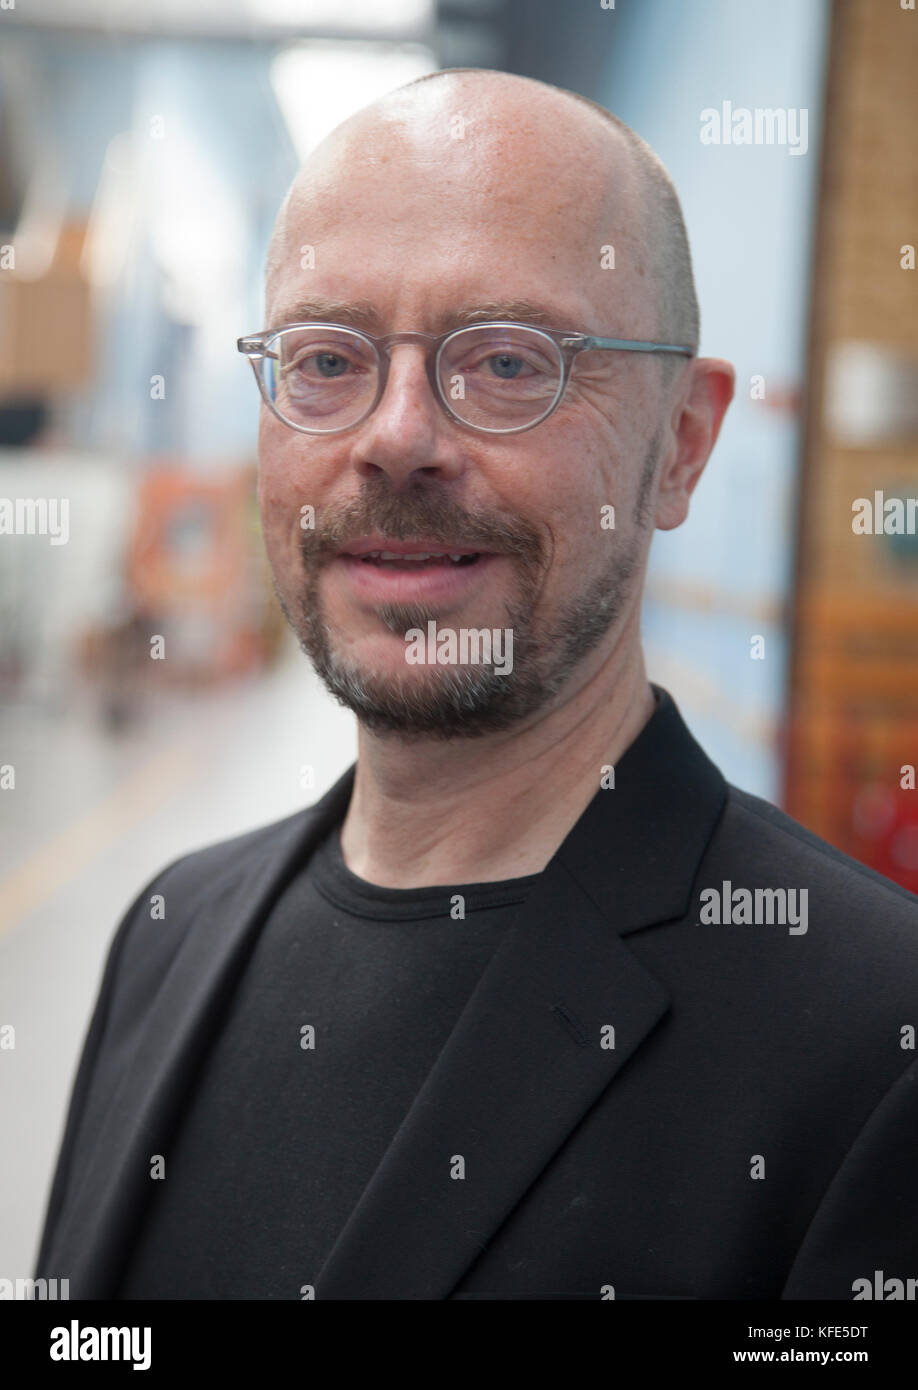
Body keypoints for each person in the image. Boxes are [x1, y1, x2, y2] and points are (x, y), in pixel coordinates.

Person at [35, 68, 918, 1301]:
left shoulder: (875, 1039)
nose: (395, 435)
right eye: (327, 358)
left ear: (682, 445)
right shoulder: (169, 934)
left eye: (509, 362)